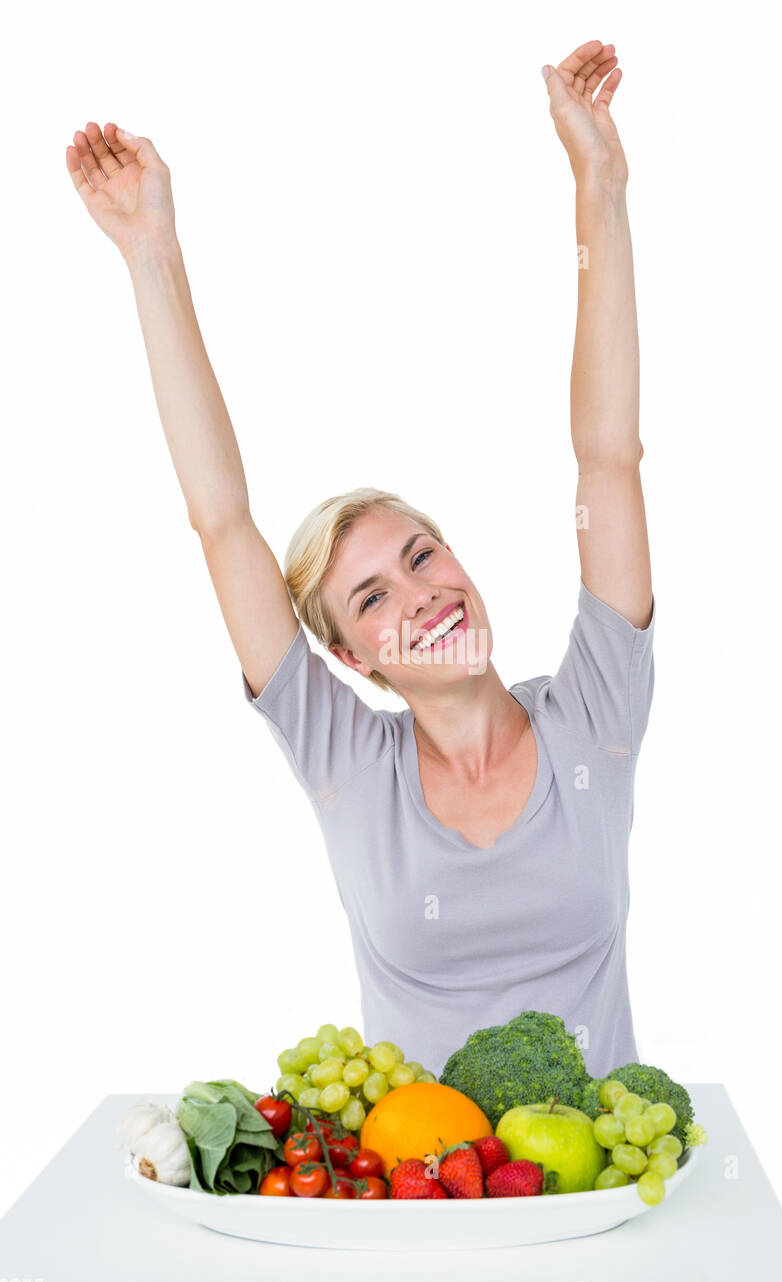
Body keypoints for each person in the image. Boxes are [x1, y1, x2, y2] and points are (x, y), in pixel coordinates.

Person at [66, 38, 654, 1079]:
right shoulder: (346, 760)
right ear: (348, 659)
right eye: (372, 597)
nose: (422, 593)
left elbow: (605, 455)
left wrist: (596, 183)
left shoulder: (593, 714)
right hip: (409, 1205)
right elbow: (221, 519)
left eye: (423, 554)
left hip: (595, 1200)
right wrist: (151, 254)